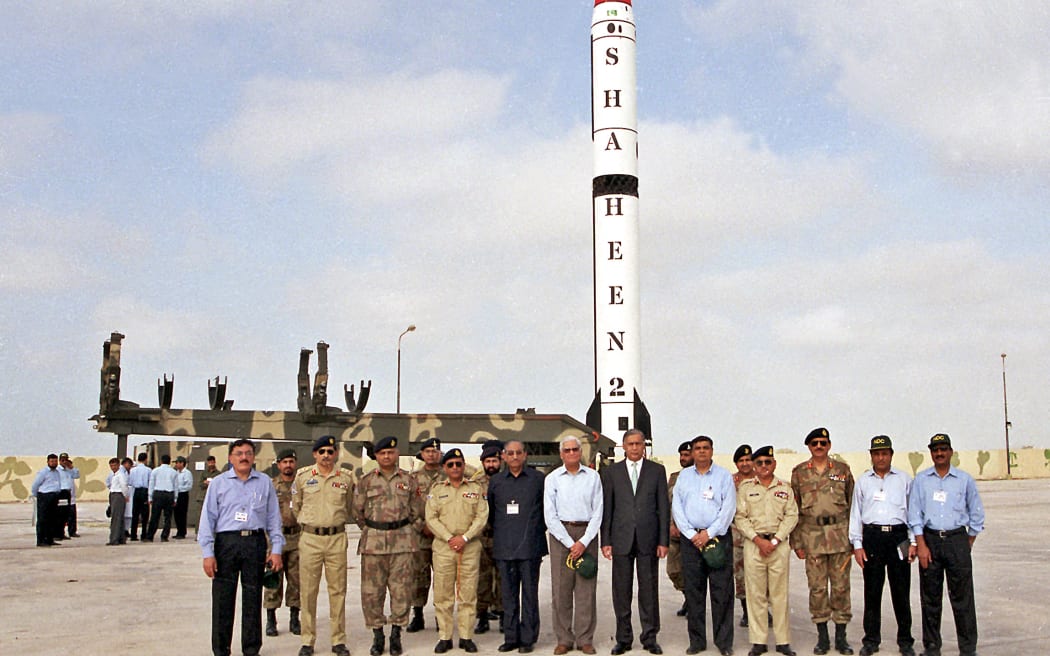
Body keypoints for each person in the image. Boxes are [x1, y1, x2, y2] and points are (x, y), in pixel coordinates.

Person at [198, 438, 284, 656]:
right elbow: (207, 519)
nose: (244, 457)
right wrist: (208, 553)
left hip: (254, 543)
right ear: (230, 458)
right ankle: (221, 650)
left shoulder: (264, 482)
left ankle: (251, 649)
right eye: (239, 454)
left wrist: (276, 549)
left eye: (248, 453)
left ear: (253, 457)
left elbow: (274, 518)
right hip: (226, 544)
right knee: (223, 600)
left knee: (253, 598)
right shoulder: (218, 483)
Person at [908, 433, 984, 656]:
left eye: (943, 449)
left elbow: (976, 513)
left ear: (951, 451)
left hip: (957, 540)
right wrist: (921, 545)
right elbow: (914, 515)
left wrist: (967, 542)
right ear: (931, 453)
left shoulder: (964, 480)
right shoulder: (921, 480)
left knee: (963, 599)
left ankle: (968, 649)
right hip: (930, 541)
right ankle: (932, 648)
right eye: (935, 450)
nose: (939, 453)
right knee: (930, 599)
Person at [601, 429, 669, 655]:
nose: (634, 448)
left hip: (648, 540)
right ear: (624, 446)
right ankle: (623, 638)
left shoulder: (656, 471)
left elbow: (663, 508)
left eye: (638, 443)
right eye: (630, 444)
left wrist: (663, 541)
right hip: (621, 539)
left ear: (644, 446)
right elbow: (608, 508)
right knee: (621, 592)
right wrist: (606, 540)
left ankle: (650, 637)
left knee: (649, 591)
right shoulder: (611, 472)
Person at [354, 436, 423, 656]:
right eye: (382, 453)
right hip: (373, 544)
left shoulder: (408, 480)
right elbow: (357, 512)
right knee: (372, 592)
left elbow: (417, 511)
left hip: (402, 543)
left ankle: (396, 634)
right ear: (376, 456)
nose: (387, 456)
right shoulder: (366, 481)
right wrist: (374, 528)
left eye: (390, 452)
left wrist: (406, 529)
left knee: (401, 590)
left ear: (397, 454)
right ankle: (377, 635)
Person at [849, 436, 916, 656]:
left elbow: (913, 512)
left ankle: (905, 641)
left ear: (891, 454)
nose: (881, 458)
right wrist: (857, 544)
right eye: (876, 454)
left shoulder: (904, 480)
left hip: (899, 538)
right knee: (872, 591)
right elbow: (856, 514)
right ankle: (871, 640)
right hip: (872, 538)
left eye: (884, 453)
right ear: (871, 456)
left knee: (901, 592)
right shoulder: (863, 481)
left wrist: (913, 542)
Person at [790, 428, 855, 655]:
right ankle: (823, 637)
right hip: (813, 538)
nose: (819, 446)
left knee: (840, 588)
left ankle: (841, 637)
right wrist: (797, 542)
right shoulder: (799, 473)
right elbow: (794, 509)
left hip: (840, 537)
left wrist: (855, 539)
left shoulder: (842, 470)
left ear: (829, 445)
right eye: (815, 443)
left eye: (823, 442)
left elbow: (853, 504)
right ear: (809, 446)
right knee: (817, 589)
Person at [671, 435, 737, 656]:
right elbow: (677, 508)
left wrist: (709, 533)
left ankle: (723, 642)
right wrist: (692, 535)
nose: (701, 451)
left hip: (717, 539)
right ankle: (697, 642)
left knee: (722, 592)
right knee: (694, 592)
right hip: (691, 542)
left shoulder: (723, 476)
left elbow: (728, 509)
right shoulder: (684, 477)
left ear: (712, 451)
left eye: (705, 448)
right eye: (697, 448)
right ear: (692, 452)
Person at [291, 435, 355, 656]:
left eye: (330, 451)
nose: (326, 455)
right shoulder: (302, 477)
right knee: (308, 592)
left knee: (338, 591)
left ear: (335, 453)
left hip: (336, 538)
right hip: (310, 539)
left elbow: (349, 506)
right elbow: (296, 506)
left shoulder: (346, 478)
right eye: (322, 451)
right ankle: (307, 640)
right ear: (315, 454)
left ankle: (338, 640)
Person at [735, 446, 800, 656]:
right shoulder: (746, 488)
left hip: (778, 546)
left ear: (774, 464)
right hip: (754, 545)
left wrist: (776, 539)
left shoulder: (785, 488)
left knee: (780, 595)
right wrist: (757, 540)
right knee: (756, 595)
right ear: (754, 465)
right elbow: (740, 517)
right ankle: (759, 642)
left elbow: (792, 515)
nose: (764, 466)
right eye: (760, 462)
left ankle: (783, 641)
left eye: (768, 462)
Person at [544, 435, 603, 655]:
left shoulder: (593, 477)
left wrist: (584, 541)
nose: (571, 453)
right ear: (561, 454)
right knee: (561, 590)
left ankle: (585, 638)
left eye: (574, 449)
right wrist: (570, 543)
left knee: (586, 590)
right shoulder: (552, 479)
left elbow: (598, 511)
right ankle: (564, 639)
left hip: (587, 534)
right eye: (567, 450)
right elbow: (550, 515)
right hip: (561, 536)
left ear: (580, 452)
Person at [426, 448, 490, 654]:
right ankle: (445, 637)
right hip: (443, 548)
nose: (455, 467)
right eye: (451, 464)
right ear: (445, 468)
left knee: (468, 594)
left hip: (469, 547)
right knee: (443, 595)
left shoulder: (475, 488)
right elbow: (431, 518)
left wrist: (465, 538)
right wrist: (449, 538)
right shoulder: (436, 490)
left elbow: (481, 516)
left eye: (458, 464)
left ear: (464, 466)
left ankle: (466, 637)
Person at [488, 440, 547, 654]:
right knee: (508, 595)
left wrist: (534, 531)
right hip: (504, 546)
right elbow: (491, 513)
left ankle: (528, 639)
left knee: (530, 595)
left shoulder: (538, 479)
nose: (514, 457)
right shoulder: (496, 481)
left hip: (530, 546)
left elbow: (545, 511)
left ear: (525, 455)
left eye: (518, 453)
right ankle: (511, 637)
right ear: (503, 456)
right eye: (510, 453)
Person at [409, 437, 445, 632]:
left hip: (443, 536)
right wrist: (420, 525)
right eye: (428, 451)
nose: (432, 454)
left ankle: (441, 616)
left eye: (435, 451)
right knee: (419, 577)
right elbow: (407, 506)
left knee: (442, 578)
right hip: (420, 536)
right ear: (422, 454)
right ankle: (418, 615)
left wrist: (439, 528)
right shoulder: (413, 479)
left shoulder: (448, 475)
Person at [265, 449, 302, 637]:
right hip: (276, 539)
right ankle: (271, 619)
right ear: (278, 465)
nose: (288, 465)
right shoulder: (271, 486)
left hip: (298, 538)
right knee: (273, 579)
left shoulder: (301, 484)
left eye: (291, 461)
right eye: (284, 462)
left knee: (296, 581)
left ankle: (295, 618)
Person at [471, 441, 505, 635]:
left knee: (503, 579)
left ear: (500, 461)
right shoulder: (475, 484)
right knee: (482, 579)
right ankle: (482, 616)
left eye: (494, 461)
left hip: (502, 538)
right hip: (481, 538)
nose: (491, 464)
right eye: (488, 461)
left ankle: (503, 615)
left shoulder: (506, 481)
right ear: (483, 462)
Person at [667, 440, 694, 617]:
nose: (683, 458)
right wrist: (670, 525)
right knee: (674, 570)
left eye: (686, 455)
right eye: (681, 455)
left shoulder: (699, 477)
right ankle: (687, 596)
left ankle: (692, 603)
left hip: (693, 533)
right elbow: (667, 504)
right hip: (675, 532)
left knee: (692, 570)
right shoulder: (674, 477)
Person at [731, 444, 754, 627]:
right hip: (737, 537)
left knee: (761, 576)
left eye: (748, 459)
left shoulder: (761, 479)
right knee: (741, 577)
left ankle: (762, 610)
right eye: (741, 460)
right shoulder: (730, 482)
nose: (745, 463)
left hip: (759, 536)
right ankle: (746, 612)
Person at [31, 453, 62, 547]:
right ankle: (41, 540)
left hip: (54, 496)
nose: (54, 463)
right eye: (52, 461)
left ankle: (49, 539)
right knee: (43, 519)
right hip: (44, 496)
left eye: (55, 461)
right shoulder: (43, 472)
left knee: (52, 519)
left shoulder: (57, 472)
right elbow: (35, 485)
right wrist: (36, 495)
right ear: (48, 462)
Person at [147, 453, 179, 542]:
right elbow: (176, 486)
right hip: (169, 494)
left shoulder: (155, 471)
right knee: (167, 517)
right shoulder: (174, 472)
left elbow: (151, 484)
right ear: (169, 462)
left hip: (158, 493)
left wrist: (150, 497)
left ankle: (150, 536)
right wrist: (175, 498)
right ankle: (164, 536)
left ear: (161, 461)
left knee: (155, 516)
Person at [106, 457, 130, 545]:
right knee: (119, 517)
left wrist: (125, 495)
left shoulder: (121, 474)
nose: (113, 467)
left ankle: (114, 539)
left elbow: (124, 485)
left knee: (116, 518)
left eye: (115, 465)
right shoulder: (114, 474)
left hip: (118, 495)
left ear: (119, 465)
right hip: (114, 494)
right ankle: (121, 538)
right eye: (111, 466)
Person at [128, 452, 152, 541]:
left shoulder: (133, 470)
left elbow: (130, 482)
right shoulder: (148, 470)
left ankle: (133, 535)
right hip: (144, 492)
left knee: (135, 513)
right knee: (145, 514)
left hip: (136, 491)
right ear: (146, 459)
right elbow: (150, 482)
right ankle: (144, 534)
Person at [58, 453, 80, 538]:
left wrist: (71, 467)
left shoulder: (69, 470)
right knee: (62, 514)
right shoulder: (58, 470)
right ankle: (61, 532)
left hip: (71, 494)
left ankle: (72, 531)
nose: (64, 462)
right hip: (62, 493)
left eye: (66, 460)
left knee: (72, 514)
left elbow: (77, 475)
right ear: (60, 461)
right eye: (63, 460)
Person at [174, 456, 194, 539]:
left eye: (177, 463)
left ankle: (182, 532)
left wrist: (178, 489)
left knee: (182, 514)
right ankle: (178, 531)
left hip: (183, 494)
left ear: (182, 463)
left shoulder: (187, 473)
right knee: (176, 514)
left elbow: (188, 486)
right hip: (176, 495)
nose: (176, 464)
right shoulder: (176, 472)